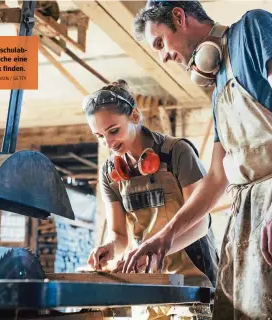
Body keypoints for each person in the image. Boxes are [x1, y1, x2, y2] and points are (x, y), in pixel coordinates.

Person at [122, 2, 272, 319]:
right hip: (246, 210)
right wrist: (164, 237)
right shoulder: (217, 87)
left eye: (160, 43)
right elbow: (216, 177)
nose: (164, 56)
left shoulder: (254, 29)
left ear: (178, 16)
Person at [84, 79, 219, 319]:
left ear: (134, 116)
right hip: (148, 284)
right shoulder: (109, 173)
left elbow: (200, 224)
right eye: (99, 136)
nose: (108, 143)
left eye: (114, 130)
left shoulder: (176, 153)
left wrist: (154, 252)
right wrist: (110, 248)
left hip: (192, 280)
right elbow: (120, 236)